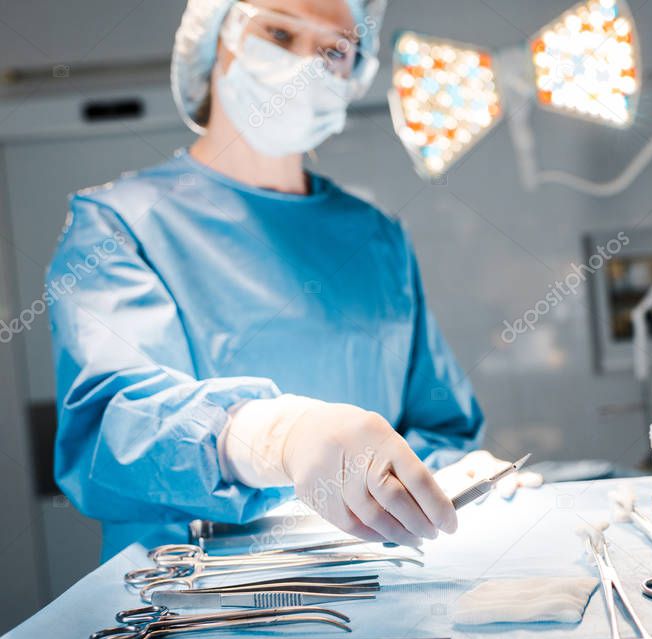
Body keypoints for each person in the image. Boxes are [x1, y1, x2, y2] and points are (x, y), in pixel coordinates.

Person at [47, 0, 536, 560]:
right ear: (214, 42)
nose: (309, 65)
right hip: (195, 610)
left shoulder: (375, 238)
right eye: (279, 31)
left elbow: (438, 423)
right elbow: (110, 431)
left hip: (385, 584)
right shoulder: (120, 224)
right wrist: (277, 438)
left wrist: (442, 475)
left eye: (335, 50)